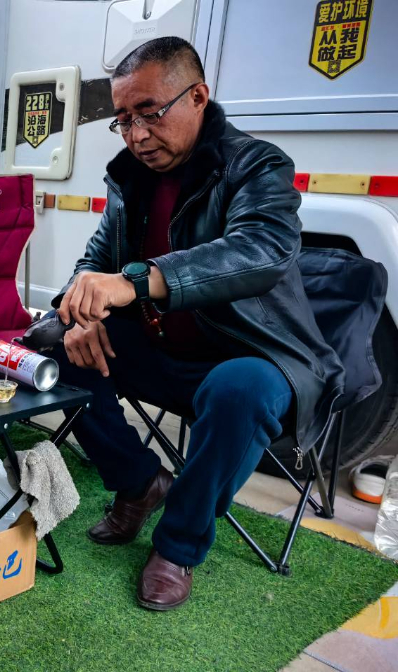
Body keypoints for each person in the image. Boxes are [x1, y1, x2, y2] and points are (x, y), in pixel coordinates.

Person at [51, 37, 344, 610]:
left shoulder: (257, 166)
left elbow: (260, 250)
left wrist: (135, 281)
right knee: (57, 346)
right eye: (123, 120)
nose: (136, 135)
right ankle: (140, 483)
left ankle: (178, 545)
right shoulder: (129, 180)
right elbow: (94, 261)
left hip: (249, 353)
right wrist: (80, 313)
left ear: (198, 96)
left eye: (150, 113)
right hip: (163, 349)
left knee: (241, 389)